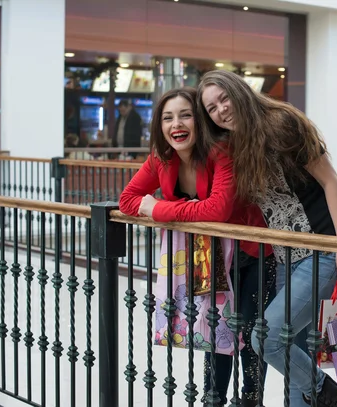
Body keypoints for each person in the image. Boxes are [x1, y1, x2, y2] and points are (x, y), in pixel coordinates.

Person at [196, 70, 337, 407]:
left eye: (224, 98)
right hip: (285, 259)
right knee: (293, 348)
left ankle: (327, 392)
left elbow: (330, 181)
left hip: (321, 251)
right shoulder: (233, 146)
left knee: (266, 339)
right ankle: (319, 393)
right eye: (212, 108)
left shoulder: (281, 123)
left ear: (240, 91)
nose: (221, 110)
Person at [118, 87, 276, 407]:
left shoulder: (221, 152)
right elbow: (127, 200)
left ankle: (251, 400)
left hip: (250, 254)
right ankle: (213, 400)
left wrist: (160, 209)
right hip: (209, 257)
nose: (177, 124)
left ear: (200, 121)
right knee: (213, 329)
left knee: (247, 335)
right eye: (167, 117)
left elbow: (217, 210)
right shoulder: (161, 159)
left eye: (186, 115)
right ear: (160, 127)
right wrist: (176, 207)